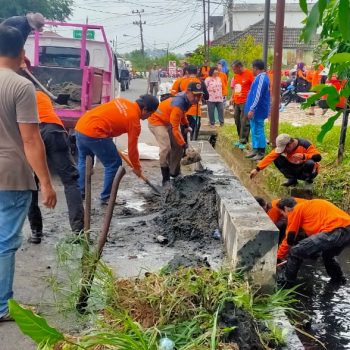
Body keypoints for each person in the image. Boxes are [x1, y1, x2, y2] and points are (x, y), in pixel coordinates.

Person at [0, 25, 56, 322]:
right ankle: (1, 306)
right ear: (22, 53)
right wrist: (46, 183)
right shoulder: (21, 86)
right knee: (5, 241)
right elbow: (31, 139)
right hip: (10, 174)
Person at [75, 95, 159, 205]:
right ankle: (107, 198)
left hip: (81, 127)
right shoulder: (134, 120)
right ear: (144, 109)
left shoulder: (122, 100)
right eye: (150, 113)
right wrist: (137, 167)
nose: (149, 117)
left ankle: (79, 193)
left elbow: (109, 115)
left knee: (84, 162)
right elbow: (132, 149)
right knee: (114, 164)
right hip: (96, 132)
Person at [26, 90, 84, 244]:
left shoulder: (14, 93)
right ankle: (78, 233)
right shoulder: (41, 94)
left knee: (30, 183)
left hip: (30, 133)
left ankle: (36, 233)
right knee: (70, 181)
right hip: (54, 131)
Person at [276, 198, 350, 285]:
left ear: (286, 208)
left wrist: (278, 258)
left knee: (296, 251)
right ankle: (339, 280)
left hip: (335, 231)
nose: (283, 215)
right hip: (347, 229)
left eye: (282, 212)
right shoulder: (309, 206)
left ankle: (287, 284)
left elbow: (289, 238)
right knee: (328, 256)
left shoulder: (295, 210)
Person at [148, 81, 203, 185]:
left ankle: (174, 173)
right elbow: (175, 128)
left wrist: (186, 125)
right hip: (156, 122)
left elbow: (182, 114)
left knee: (177, 146)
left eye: (199, 96)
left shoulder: (187, 100)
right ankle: (165, 178)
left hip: (167, 121)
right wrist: (185, 145)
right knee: (166, 147)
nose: (197, 98)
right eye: (195, 95)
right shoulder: (179, 103)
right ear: (187, 92)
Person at [250, 133, 321, 187]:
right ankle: (292, 179)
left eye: (284, 149)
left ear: (289, 144)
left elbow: (318, 157)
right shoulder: (284, 149)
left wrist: (304, 156)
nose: (284, 151)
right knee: (277, 158)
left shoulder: (305, 144)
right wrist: (257, 169)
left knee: (310, 163)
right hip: (295, 167)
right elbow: (270, 157)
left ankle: (308, 181)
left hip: (308, 170)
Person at [173, 66, 209, 140]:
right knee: (193, 134)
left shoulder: (180, 81)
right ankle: (191, 149)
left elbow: (174, 95)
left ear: (187, 72)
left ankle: (183, 148)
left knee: (183, 133)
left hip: (182, 112)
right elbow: (207, 97)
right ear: (197, 72)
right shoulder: (200, 82)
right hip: (195, 112)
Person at [244, 59, 270, 161]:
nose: (252, 70)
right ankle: (255, 149)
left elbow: (257, 96)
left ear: (255, 68)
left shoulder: (262, 78)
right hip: (255, 109)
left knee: (259, 129)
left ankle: (261, 150)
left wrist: (252, 109)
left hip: (258, 110)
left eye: (252, 68)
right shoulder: (259, 78)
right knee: (254, 129)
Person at [231, 60, 254, 149]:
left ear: (240, 67)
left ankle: (244, 141)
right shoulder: (236, 75)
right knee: (237, 120)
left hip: (246, 101)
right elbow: (235, 87)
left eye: (234, 69)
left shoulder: (249, 74)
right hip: (237, 101)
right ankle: (240, 138)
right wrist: (233, 97)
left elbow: (254, 86)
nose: (233, 71)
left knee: (244, 121)